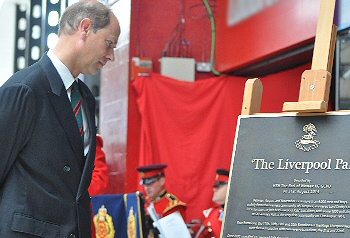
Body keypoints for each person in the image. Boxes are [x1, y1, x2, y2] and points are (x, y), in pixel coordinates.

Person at [0, 1, 120, 237]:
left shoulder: (85, 97)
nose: (112, 56)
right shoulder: (25, 89)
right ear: (85, 28)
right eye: (109, 44)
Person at [137, 163, 187, 237]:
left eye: (150, 183)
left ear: (162, 181)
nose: (147, 188)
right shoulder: (145, 203)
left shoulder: (172, 206)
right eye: (144, 184)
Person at [195, 168, 230, 238]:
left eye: (219, 186)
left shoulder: (238, 215)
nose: (214, 189)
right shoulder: (213, 213)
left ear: (230, 187)